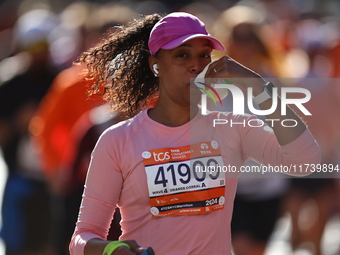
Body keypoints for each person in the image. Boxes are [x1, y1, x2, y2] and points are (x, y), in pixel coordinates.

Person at [69, 12, 320, 255]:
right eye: (182, 55)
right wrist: (112, 250)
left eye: (203, 55)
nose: (196, 65)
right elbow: (83, 237)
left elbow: (306, 161)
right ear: (155, 65)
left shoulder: (233, 128)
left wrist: (258, 88)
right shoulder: (117, 141)